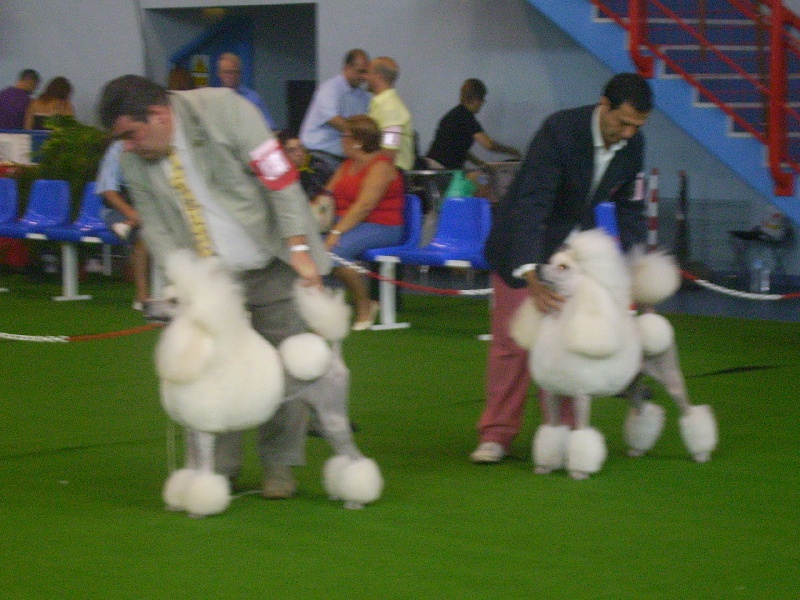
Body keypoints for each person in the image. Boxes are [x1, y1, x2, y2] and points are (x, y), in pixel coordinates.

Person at [97, 74, 337, 499]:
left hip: (273, 261)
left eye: (131, 135)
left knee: (288, 367)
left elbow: (280, 178)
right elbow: (154, 225)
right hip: (212, 278)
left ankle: (279, 465)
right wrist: (184, 281)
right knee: (211, 369)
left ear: (158, 114)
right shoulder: (133, 157)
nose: (127, 148)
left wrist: (299, 247)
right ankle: (218, 470)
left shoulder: (226, 111)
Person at [470, 72, 653, 464]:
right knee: (513, 343)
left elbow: (632, 210)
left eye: (637, 127)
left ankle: (566, 429)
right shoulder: (560, 131)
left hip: (573, 251)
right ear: (604, 105)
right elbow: (532, 203)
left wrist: (638, 270)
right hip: (521, 239)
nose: (627, 133)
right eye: (622, 122)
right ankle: (497, 435)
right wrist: (530, 274)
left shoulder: (633, 145)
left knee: (568, 342)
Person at [321, 115, 405, 330]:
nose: (341, 140)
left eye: (345, 136)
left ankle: (365, 304)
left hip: (382, 226)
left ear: (359, 141)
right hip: (348, 222)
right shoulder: (347, 164)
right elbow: (327, 195)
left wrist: (336, 232)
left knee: (333, 252)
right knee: (309, 245)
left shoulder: (381, 166)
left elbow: (364, 206)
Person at [95, 140, 150, 310]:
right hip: (117, 210)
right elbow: (109, 193)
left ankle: (130, 224)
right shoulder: (117, 149)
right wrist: (133, 215)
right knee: (143, 235)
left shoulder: (158, 146)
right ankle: (142, 297)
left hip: (147, 208)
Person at [299, 49, 371, 173]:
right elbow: (334, 120)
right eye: (360, 71)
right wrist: (363, 137)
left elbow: (362, 124)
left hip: (341, 156)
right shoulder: (330, 89)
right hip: (319, 153)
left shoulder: (363, 96)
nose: (364, 77)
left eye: (366, 72)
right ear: (347, 68)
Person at [426, 78, 521, 170]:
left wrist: (480, 164)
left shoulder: (457, 114)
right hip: (440, 169)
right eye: (482, 99)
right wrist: (511, 151)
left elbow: (460, 150)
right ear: (476, 99)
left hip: (433, 166)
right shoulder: (466, 117)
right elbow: (489, 145)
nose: (483, 103)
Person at [277, 129, 336, 233]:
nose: (300, 153)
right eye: (292, 150)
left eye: (301, 147)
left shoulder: (318, 167)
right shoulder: (276, 173)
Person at [365, 57, 415, 171]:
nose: (365, 77)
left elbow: (389, 150)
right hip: (386, 171)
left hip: (391, 173)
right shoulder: (384, 104)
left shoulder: (390, 108)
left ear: (378, 76)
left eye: (368, 73)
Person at [215, 52, 276, 130]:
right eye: (227, 72)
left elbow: (269, 127)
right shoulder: (214, 99)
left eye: (234, 72)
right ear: (219, 74)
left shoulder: (253, 98)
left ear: (240, 73)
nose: (231, 76)